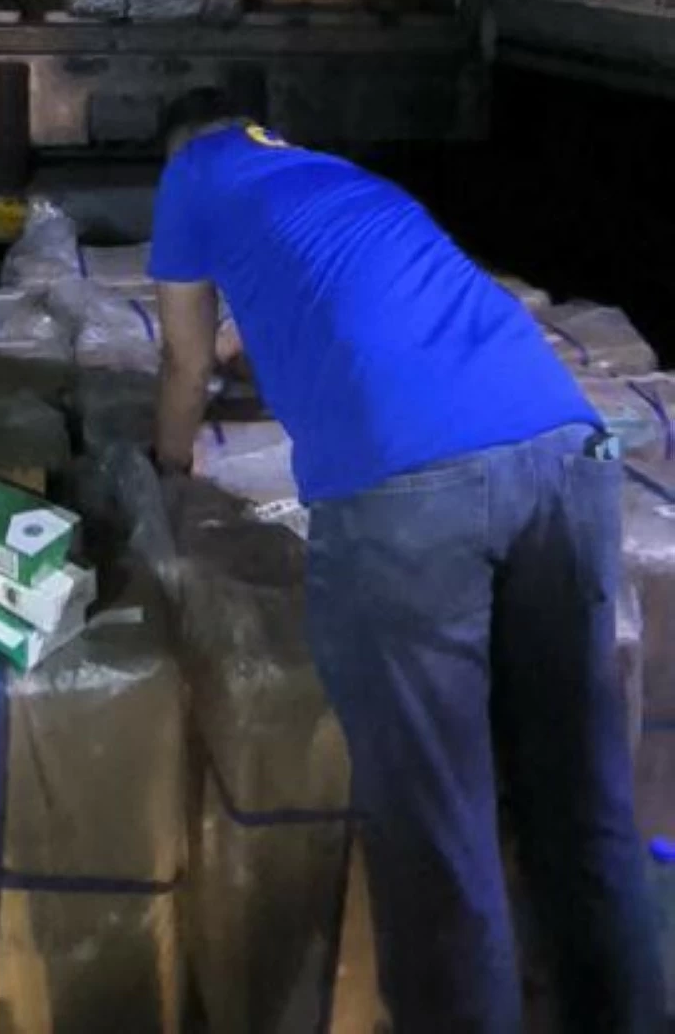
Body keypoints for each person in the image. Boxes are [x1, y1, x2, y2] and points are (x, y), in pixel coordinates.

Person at [148, 87, 664, 1034]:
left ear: (186, 146)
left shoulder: (191, 172)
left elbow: (188, 366)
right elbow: (330, 324)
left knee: (438, 829)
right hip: (568, 458)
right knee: (585, 812)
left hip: (413, 492)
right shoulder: (335, 181)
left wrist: (165, 472)